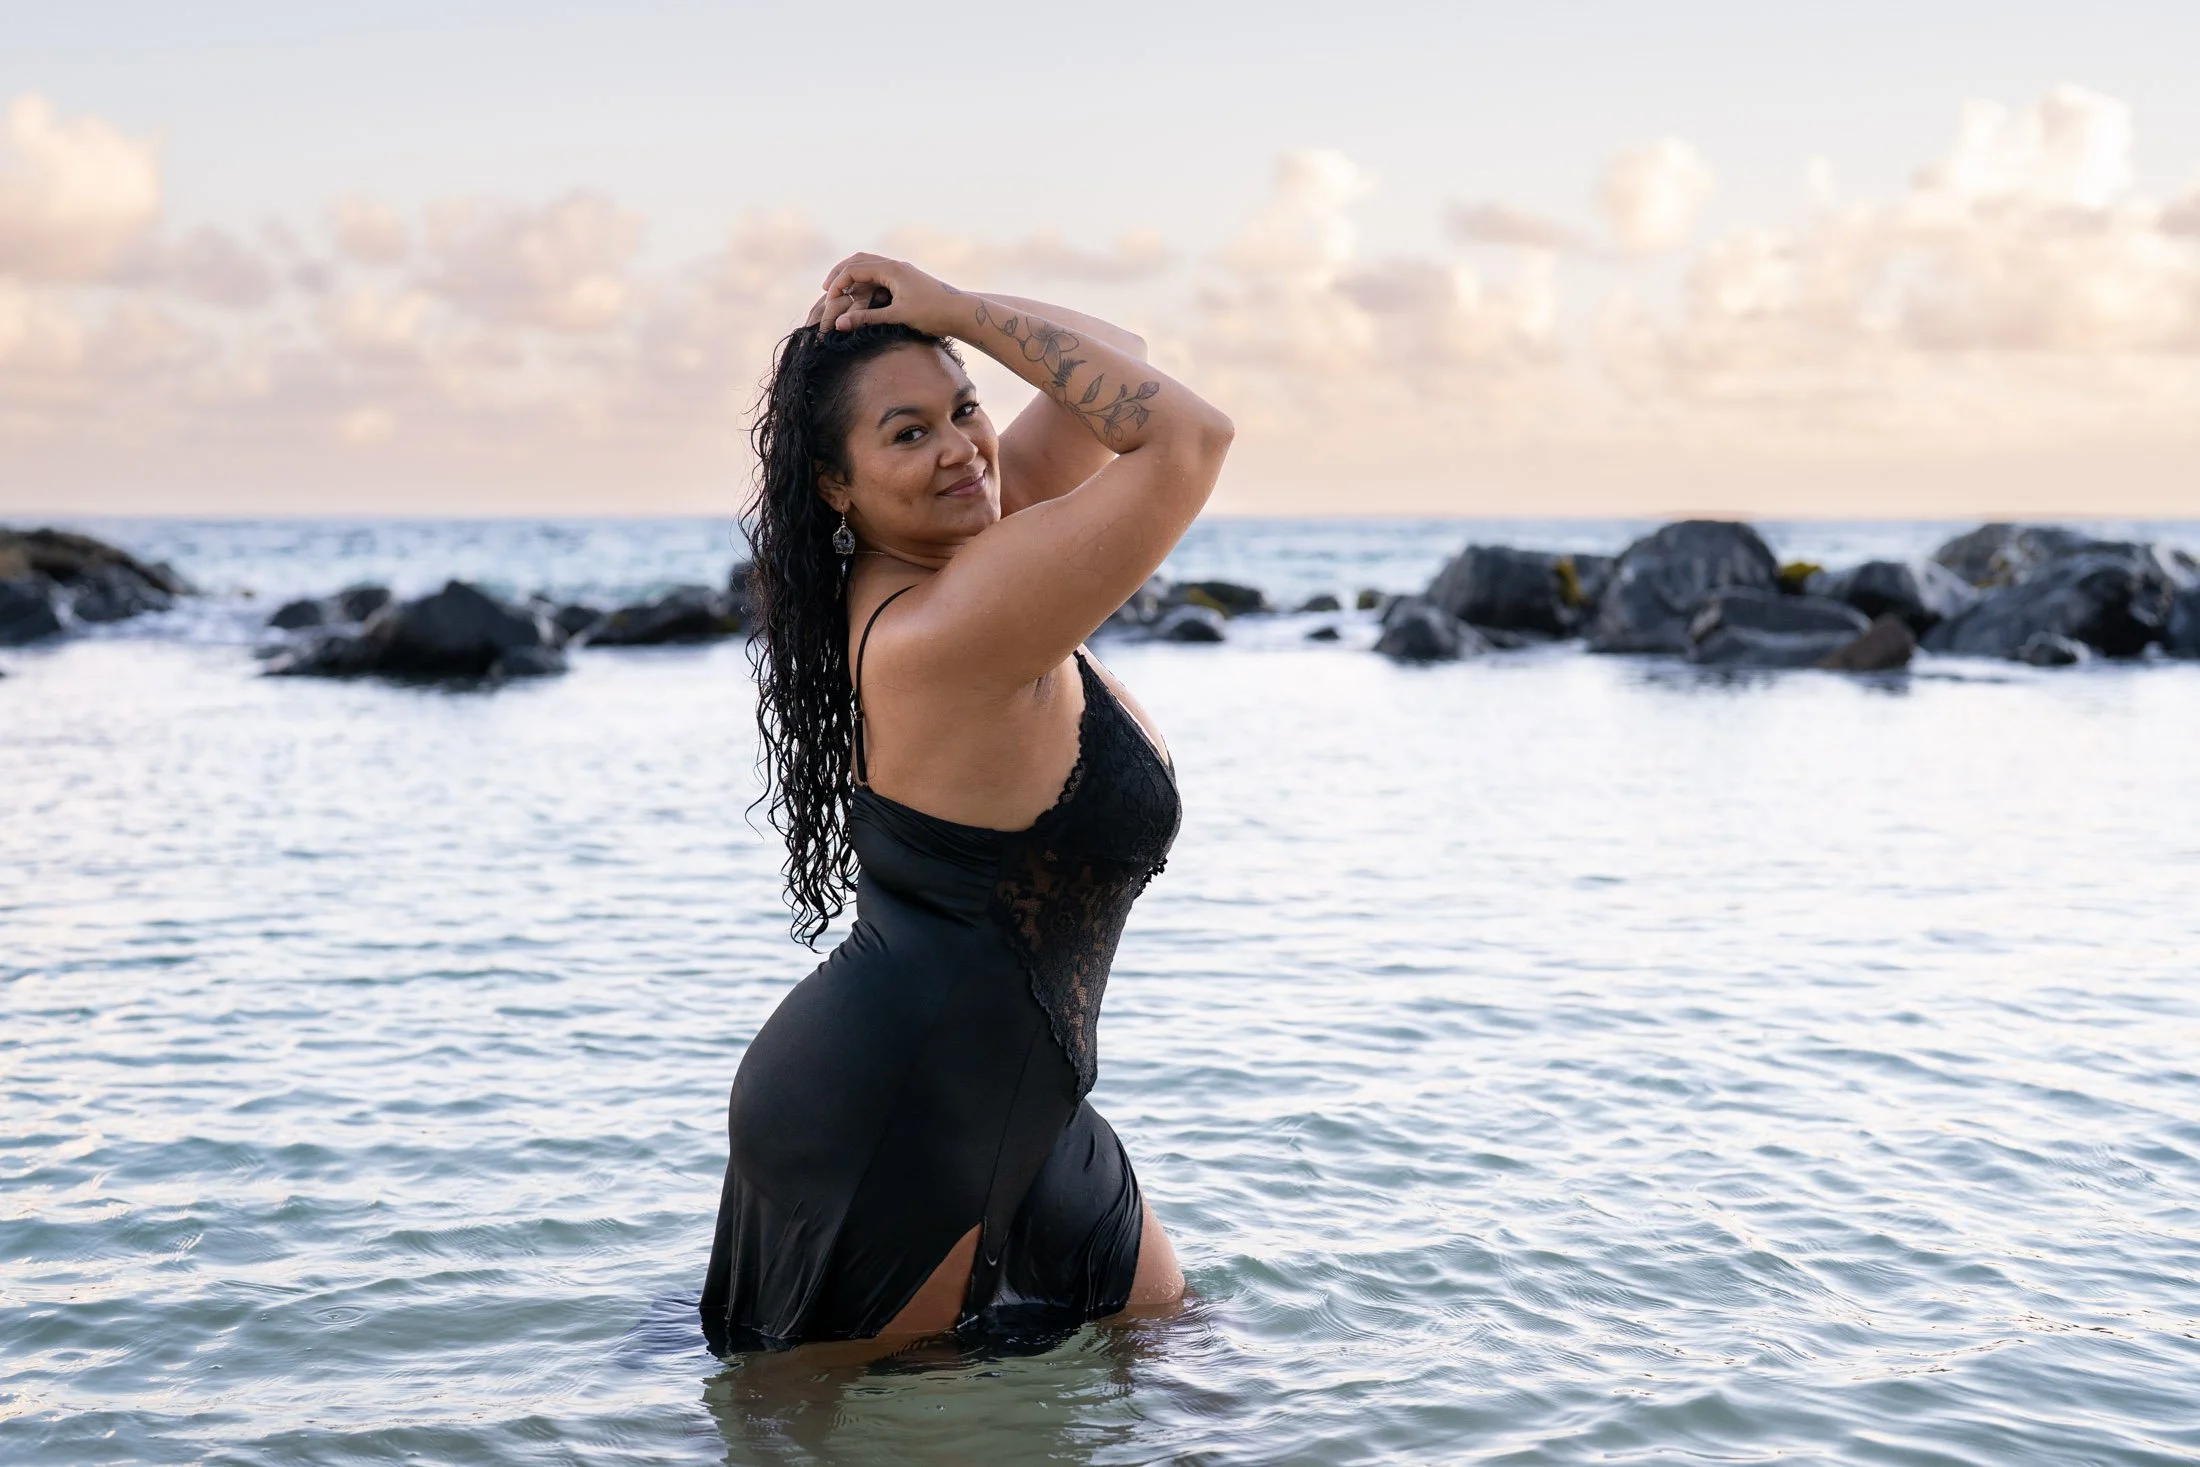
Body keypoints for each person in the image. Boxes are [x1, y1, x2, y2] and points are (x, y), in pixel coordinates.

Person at [699, 253, 1235, 1353]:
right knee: (828, 1431)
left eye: (965, 409)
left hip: (1010, 1090)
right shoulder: (954, 625)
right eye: (907, 433)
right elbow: (1187, 436)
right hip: (902, 1106)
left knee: (1177, 1357)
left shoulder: (966, 549)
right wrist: (956, 317)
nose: (959, 450)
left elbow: (1119, 357)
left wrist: (949, 311)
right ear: (833, 487)